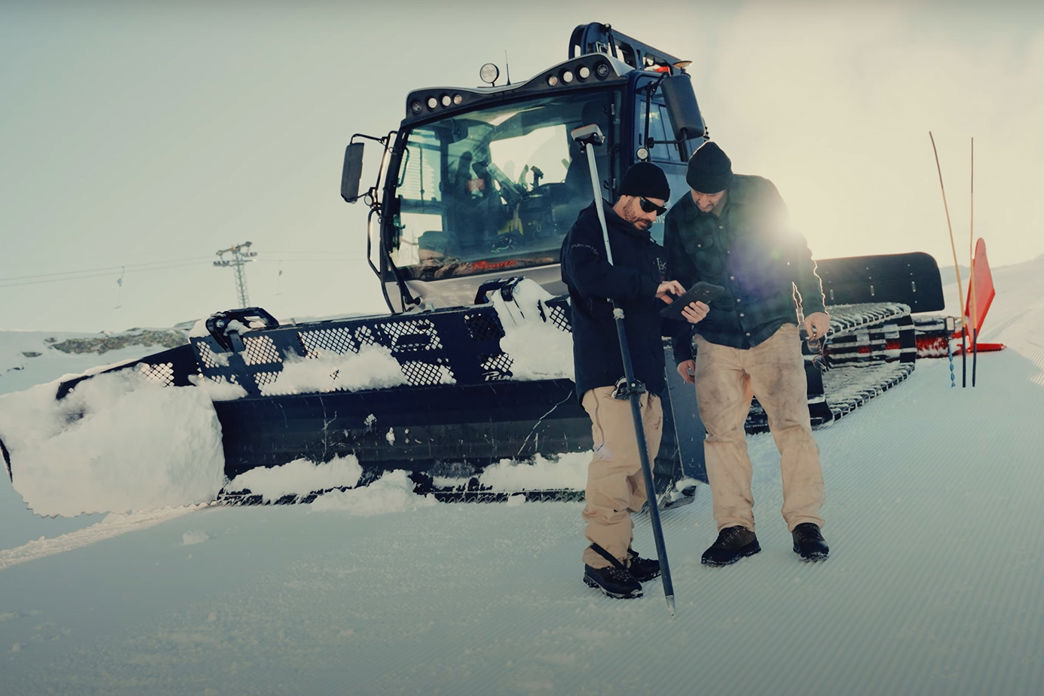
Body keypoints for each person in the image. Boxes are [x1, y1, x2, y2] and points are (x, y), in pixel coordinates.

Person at [663, 141, 831, 565]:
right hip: (715, 339)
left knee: (792, 428)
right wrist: (684, 347)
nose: (701, 200)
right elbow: (678, 283)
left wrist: (813, 305)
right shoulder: (680, 217)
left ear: (727, 184)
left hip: (771, 326)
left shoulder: (760, 193)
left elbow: (794, 249)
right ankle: (736, 529)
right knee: (721, 437)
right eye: (696, 192)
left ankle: (804, 523)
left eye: (710, 194)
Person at [560, 162, 686, 599]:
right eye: (648, 206)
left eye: (660, 212)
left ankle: (622, 550)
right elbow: (587, 277)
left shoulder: (649, 249)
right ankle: (602, 558)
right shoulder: (590, 229)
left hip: (646, 371)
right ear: (628, 194)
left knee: (640, 470)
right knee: (617, 461)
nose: (652, 217)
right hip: (609, 369)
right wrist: (646, 287)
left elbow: (653, 313)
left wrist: (682, 311)